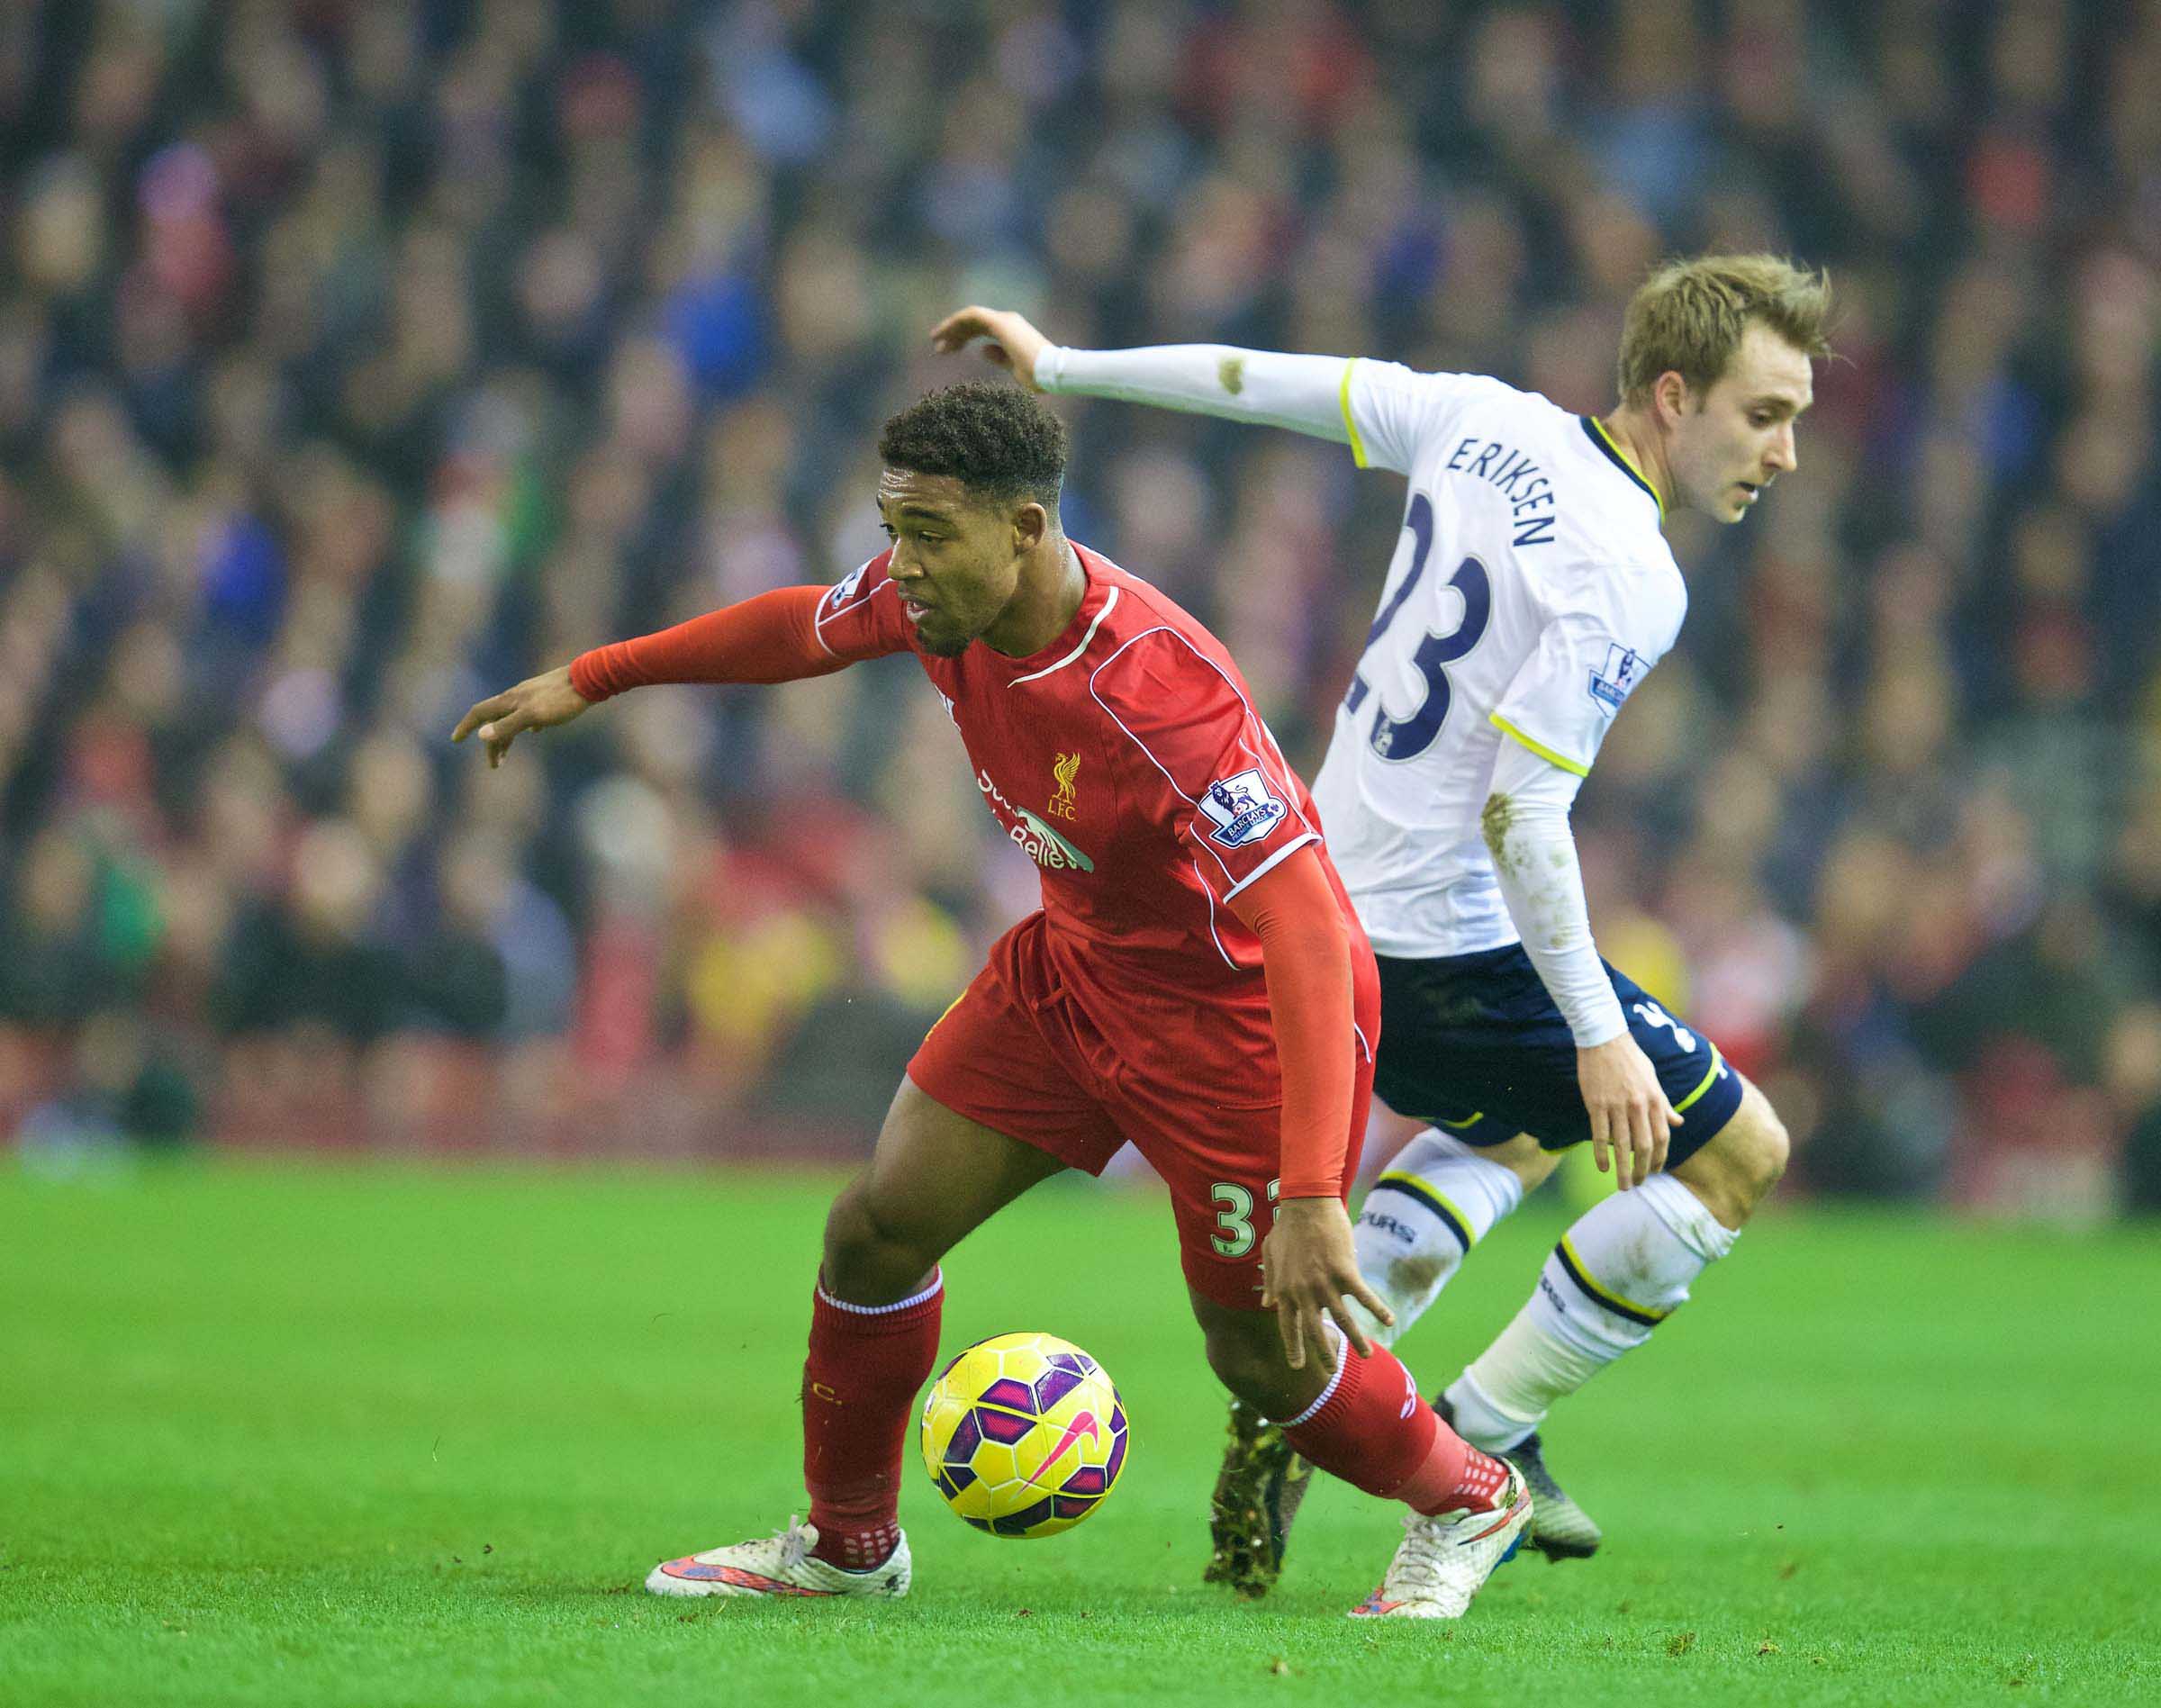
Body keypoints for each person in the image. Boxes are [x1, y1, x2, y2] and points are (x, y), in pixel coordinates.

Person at [452, 382, 1533, 1620]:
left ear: (1024, 528)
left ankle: (1469, 1493)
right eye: (892, 528)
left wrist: (1310, 1194)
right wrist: (598, 676)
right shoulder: (940, 606)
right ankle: (845, 1546)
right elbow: (801, 627)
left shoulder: (1158, 691)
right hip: (1076, 975)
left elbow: (1302, 930)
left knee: (1261, 1357)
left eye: (927, 535)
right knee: (875, 1229)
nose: (898, 565)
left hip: (1240, 1027)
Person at [932, 252, 1826, 1592]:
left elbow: (1257, 383)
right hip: (1442, 943)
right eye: (1766, 415)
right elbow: (1527, 818)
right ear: (1677, 394)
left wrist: (1065, 366)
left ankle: (1326, 1392)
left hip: (1327, 919)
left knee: (1515, 1128)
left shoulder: (1480, 414)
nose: (1789, 453)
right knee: (1736, 1153)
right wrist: (1600, 1030)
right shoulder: (1631, 569)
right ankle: (1478, 1442)